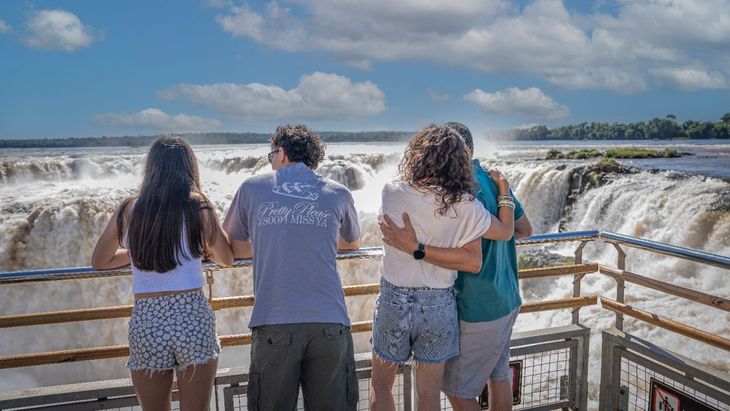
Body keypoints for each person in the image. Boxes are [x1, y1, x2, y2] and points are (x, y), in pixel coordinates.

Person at [381, 122, 532, 411]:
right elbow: (522, 230)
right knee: (498, 377)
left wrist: (419, 247)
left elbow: (472, 257)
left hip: (476, 305)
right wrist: (504, 193)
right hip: (509, 296)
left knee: (457, 391)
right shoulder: (492, 179)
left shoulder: (458, 188)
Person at [222, 124, 361, 411]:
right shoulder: (338, 192)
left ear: (282, 153)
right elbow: (352, 242)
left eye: (271, 155)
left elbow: (231, 245)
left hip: (274, 319)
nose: (270, 161)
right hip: (329, 321)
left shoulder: (251, 187)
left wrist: (270, 240)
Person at [91, 136, 233, 411]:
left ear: (151, 167)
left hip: (148, 320)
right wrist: (200, 248)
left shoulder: (130, 208)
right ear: (189, 167)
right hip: (191, 315)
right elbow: (225, 259)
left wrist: (143, 249)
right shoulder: (199, 206)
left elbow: (101, 260)